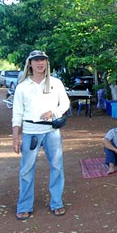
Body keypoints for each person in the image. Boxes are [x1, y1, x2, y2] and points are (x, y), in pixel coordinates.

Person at [11, 49, 70, 220]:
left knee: (57, 167)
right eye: (36, 60)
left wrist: (54, 111)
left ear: (46, 63)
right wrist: (16, 137)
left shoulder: (55, 83)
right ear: (30, 63)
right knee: (26, 169)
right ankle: (24, 205)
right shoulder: (22, 87)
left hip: (51, 131)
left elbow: (65, 103)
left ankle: (57, 203)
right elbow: (17, 114)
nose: (40, 63)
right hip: (31, 132)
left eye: (42, 60)